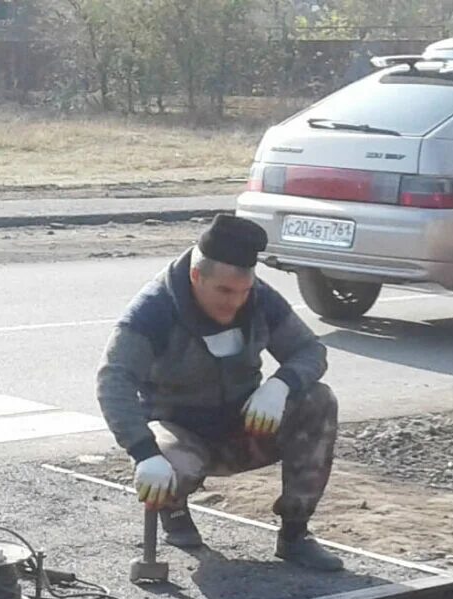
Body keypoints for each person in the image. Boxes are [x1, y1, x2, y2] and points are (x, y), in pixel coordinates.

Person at [96, 213, 344, 571]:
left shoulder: (258, 298)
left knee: (318, 400)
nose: (235, 303)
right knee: (167, 461)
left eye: (243, 291)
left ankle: (295, 533)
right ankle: (174, 509)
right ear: (197, 276)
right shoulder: (153, 310)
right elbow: (113, 380)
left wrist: (280, 385)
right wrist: (143, 452)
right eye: (225, 291)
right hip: (181, 432)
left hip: (246, 428)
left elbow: (309, 350)